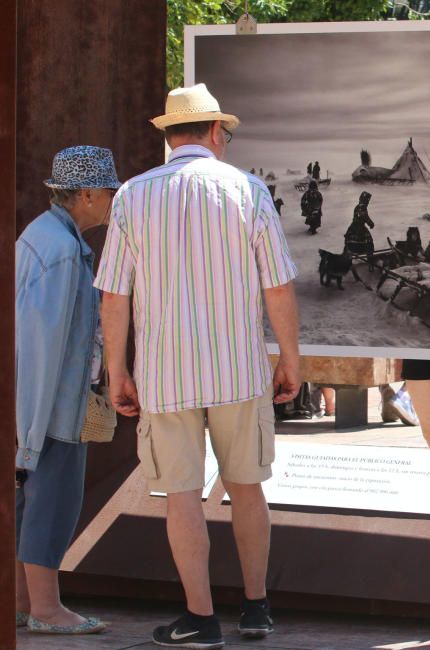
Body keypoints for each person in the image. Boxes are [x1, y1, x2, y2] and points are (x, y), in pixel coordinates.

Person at [95, 83, 301, 647]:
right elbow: (277, 287)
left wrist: (118, 372)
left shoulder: (132, 196)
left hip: (165, 374)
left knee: (182, 497)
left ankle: (202, 619)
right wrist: (290, 359)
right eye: (225, 133)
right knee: (248, 488)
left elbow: (115, 296)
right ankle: (256, 608)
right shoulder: (248, 191)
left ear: (169, 135)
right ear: (214, 132)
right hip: (238, 369)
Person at [14, 146, 121, 636]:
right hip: (52, 404)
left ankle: (24, 602)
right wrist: (33, 429)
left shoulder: (51, 237)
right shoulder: (59, 249)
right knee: (51, 501)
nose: (114, 201)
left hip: (44, 403)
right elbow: (42, 342)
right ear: (87, 194)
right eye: (110, 192)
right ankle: (47, 608)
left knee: (33, 501)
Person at [345, 191, 376, 257]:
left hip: (353, 226)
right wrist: (371, 224)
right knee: (368, 240)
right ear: (365, 200)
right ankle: (368, 253)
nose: (368, 202)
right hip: (359, 227)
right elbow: (365, 217)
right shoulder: (363, 207)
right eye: (368, 200)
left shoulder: (357, 206)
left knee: (351, 238)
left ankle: (352, 250)